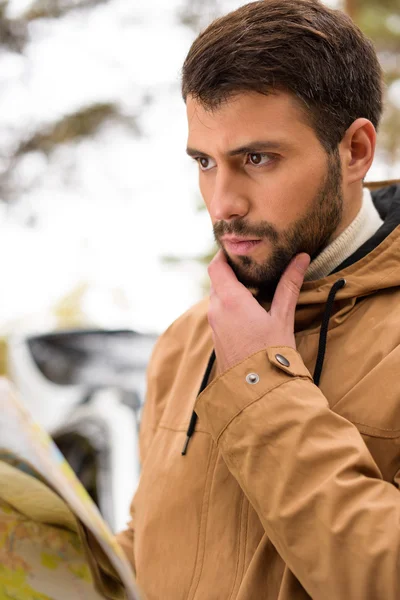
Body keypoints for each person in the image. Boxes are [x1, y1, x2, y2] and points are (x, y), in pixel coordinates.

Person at [117, 1, 400, 598]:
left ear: (354, 151)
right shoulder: (187, 337)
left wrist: (259, 387)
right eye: (204, 162)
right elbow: (153, 552)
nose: (222, 203)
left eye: (257, 158)